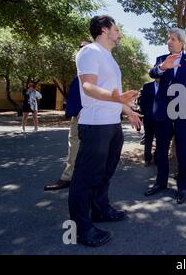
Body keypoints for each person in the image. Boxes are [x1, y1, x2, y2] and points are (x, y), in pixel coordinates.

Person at [68, 15, 142, 247]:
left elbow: (114, 95)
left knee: (105, 173)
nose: (119, 34)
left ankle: (100, 210)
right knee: (85, 178)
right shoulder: (90, 51)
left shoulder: (109, 57)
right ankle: (81, 229)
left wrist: (127, 109)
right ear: (103, 29)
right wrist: (114, 97)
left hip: (112, 125)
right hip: (95, 125)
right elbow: (88, 86)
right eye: (117, 29)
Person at [145, 28, 186, 205]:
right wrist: (162, 67)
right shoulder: (162, 59)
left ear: (181, 43)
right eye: (168, 39)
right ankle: (160, 182)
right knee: (161, 149)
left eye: (173, 39)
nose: (169, 41)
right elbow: (152, 73)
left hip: (183, 113)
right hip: (163, 113)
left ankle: (182, 187)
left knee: (184, 150)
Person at [44, 42, 90, 191]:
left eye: (85, 48)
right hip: (78, 116)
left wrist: (82, 111)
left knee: (81, 147)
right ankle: (71, 177)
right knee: (75, 146)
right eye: (80, 48)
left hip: (87, 117)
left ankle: (71, 178)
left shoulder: (92, 71)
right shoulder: (81, 72)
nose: (81, 50)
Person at [138, 78, 160, 166]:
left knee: (159, 140)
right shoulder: (147, 86)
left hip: (160, 119)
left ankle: (157, 158)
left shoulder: (166, 85)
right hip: (148, 118)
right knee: (148, 139)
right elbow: (142, 101)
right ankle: (147, 159)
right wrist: (144, 114)